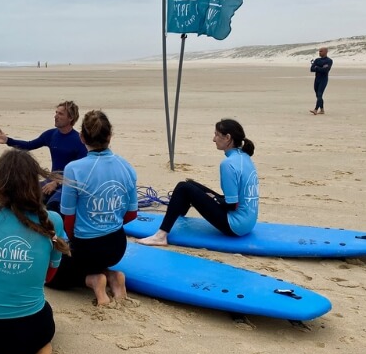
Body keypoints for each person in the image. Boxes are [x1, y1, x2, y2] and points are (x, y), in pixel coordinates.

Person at [0, 149, 69, 354]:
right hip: (36, 330)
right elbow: (48, 278)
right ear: (35, 183)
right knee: (45, 310)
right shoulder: (53, 221)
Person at [46, 110, 138, 306]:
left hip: (86, 248)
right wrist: (108, 221)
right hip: (117, 246)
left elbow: (68, 219)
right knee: (91, 260)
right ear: (110, 136)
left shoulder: (74, 168)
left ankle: (94, 280)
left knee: (49, 274)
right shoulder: (127, 166)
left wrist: (70, 242)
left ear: (81, 137)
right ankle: (112, 275)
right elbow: (131, 214)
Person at [137, 119, 259, 247]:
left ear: (228, 138)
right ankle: (177, 216)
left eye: (217, 135)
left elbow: (232, 205)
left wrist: (214, 199)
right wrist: (213, 198)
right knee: (190, 184)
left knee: (183, 188)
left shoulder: (228, 164)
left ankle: (160, 236)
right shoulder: (244, 157)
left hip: (235, 226)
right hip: (249, 222)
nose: (214, 139)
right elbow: (237, 199)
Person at [0, 101, 87, 212]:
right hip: (51, 180)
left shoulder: (79, 141)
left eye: (60, 114)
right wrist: (8, 140)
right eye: (56, 113)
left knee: (53, 205)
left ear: (71, 118)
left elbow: (80, 171)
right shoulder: (51, 135)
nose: (55, 116)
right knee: (24, 196)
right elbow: (29, 145)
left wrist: (56, 183)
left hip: (68, 184)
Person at [310, 47, 333, 115]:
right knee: (318, 95)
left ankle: (315, 109)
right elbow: (311, 69)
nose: (319, 52)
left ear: (326, 52)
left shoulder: (329, 60)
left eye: (321, 51)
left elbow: (326, 70)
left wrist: (317, 67)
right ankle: (322, 110)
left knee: (320, 94)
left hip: (323, 80)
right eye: (319, 51)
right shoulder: (317, 60)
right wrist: (320, 68)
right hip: (317, 79)